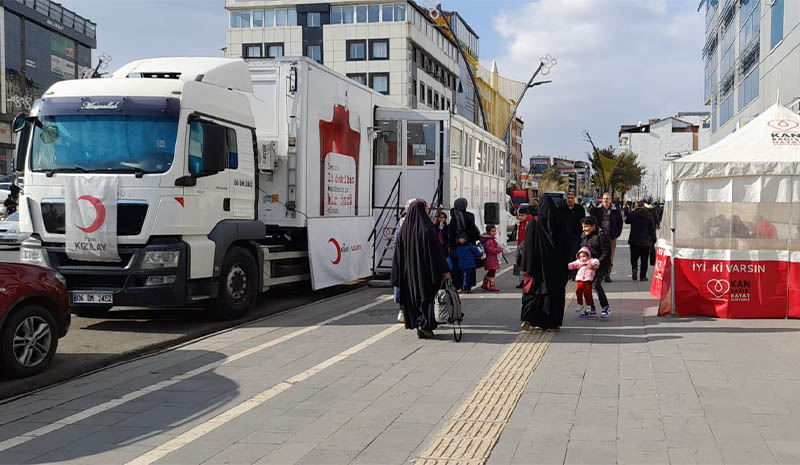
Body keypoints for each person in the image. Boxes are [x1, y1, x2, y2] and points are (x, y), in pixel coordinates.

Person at [391, 200, 451, 339]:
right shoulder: (426, 229)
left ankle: (419, 324)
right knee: (427, 298)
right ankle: (426, 326)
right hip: (426, 273)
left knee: (413, 299)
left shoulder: (404, 230)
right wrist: (445, 270)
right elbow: (437, 252)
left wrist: (397, 274)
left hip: (409, 275)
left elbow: (397, 255)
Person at [520, 196, 571, 331]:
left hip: (537, 268)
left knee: (534, 292)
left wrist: (527, 266)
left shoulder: (534, 222)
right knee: (554, 294)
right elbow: (568, 244)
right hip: (556, 268)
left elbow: (528, 247)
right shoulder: (559, 221)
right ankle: (553, 323)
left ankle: (531, 320)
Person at [580, 216, 612, 318]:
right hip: (587, 266)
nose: (584, 229)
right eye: (583, 227)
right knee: (586, 286)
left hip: (600, 266)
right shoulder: (584, 236)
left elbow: (606, 253)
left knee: (596, 284)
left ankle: (605, 307)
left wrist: (597, 263)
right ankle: (591, 308)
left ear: (593, 226)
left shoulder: (602, 235)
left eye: (586, 227)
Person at [590, 193, 623, 282]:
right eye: (604, 199)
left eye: (607, 199)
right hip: (599, 237)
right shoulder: (596, 210)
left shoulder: (616, 210)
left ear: (610, 200)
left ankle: (607, 275)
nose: (605, 200)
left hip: (611, 237)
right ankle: (598, 275)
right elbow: (592, 222)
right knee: (599, 255)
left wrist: (616, 234)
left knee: (610, 257)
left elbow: (620, 223)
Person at [449, 198, 480, 291]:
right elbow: (474, 231)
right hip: (469, 244)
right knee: (469, 267)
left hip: (457, 245)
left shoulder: (455, 216)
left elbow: (451, 232)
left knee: (458, 267)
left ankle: (459, 285)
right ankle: (468, 286)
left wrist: (451, 244)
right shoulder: (470, 216)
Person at [626, 201, 657, 281]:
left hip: (634, 240)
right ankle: (643, 276)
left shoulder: (632, 214)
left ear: (635, 206)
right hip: (645, 241)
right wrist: (654, 240)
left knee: (633, 257)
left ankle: (634, 268)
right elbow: (652, 229)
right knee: (644, 259)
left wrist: (632, 211)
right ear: (644, 206)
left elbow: (626, 221)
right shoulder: (649, 215)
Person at [560, 191, 586, 279]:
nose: (570, 200)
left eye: (572, 198)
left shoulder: (580, 209)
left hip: (576, 236)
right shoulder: (561, 209)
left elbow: (583, 222)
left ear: (574, 198)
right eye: (568, 198)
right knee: (565, 256)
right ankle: (566, 273)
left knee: (575, 255)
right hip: (564, 237)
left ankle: (574, 273)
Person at [568, 247, 600, 314]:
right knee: (578, 292)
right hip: (580, 280)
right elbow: (572, 265)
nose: (582, 258)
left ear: (588, 255)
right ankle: (580, 304)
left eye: (584, 256)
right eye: (581, 256)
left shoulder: (590, 261)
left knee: (587, 293)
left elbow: (596, 261)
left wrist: (594, 265)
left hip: (588, 280)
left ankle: (589, 306)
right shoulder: (578, 261)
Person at [479, 224, 503, 292]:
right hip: (491, 259)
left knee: (491, 272)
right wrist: (499, 249)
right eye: (493, 231)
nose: (494, 232)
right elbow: (491, 250)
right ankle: (492, 285)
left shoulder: (489, 239)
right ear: (489, 232)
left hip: (491, 259)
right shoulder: (490, 240)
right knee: (492, 273)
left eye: (495, 231)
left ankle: (485, 284)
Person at [515, 206, 532, 289]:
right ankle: (522, 280)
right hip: (521, 246)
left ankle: (523, 281)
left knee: (523, 264)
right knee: (520, 263)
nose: (520, 217)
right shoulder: (522, 223)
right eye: (519, 215)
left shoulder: (528, 223)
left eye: (522, 215)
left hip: (525, 246)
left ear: (526, 215)